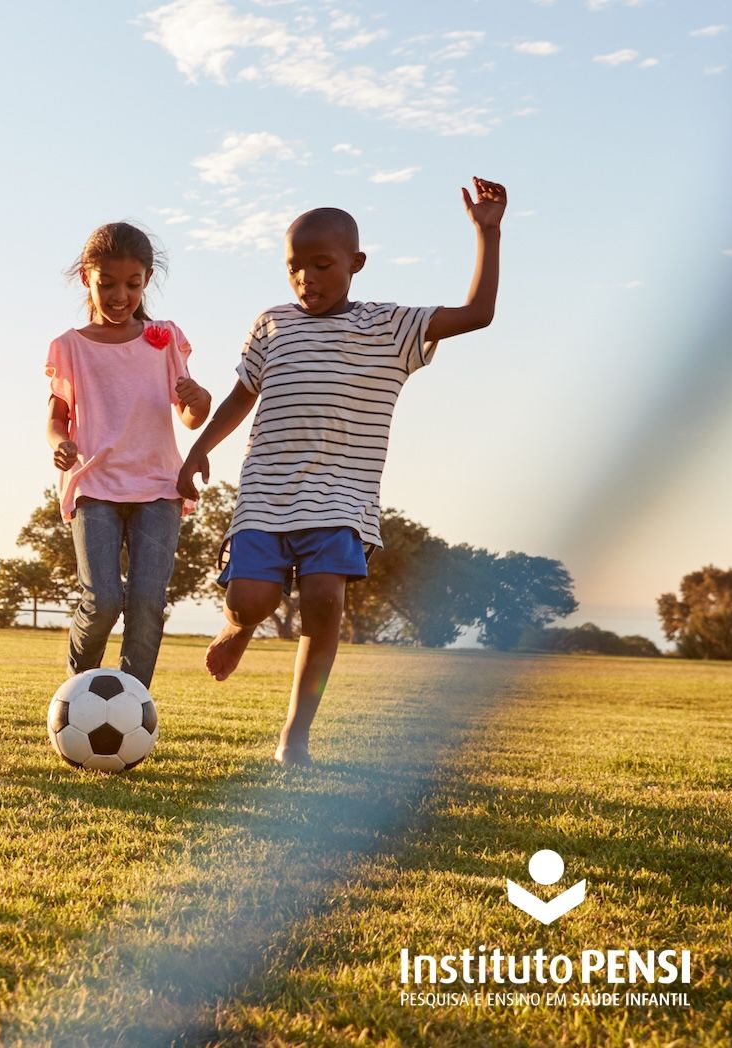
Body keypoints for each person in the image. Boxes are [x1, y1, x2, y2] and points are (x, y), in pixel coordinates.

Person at [177, 178, 508, 765]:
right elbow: (240, 395)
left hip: (341, 497)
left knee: (325, 599)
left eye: (322, 264)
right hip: (266, 493)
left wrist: (487, 233)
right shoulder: (272, 323)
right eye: (294, 267)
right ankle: (238, 628)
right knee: (250, 600)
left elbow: (478, 314)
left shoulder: (389, 327)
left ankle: (295, 735)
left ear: (355, 263)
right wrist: (200, 448)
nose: (307, 278)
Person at [45, 222, 210, 689]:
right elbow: (56, 418)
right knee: (102, 601)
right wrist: (61, 445)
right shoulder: (70, 347)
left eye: (132, 285)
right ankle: (78, 693)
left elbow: (191, 417)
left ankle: (130, 702)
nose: (120, 295)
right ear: (86, 279)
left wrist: (200, 398)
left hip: (159, 486)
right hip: (94, 486)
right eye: (107, 284)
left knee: (146, 604)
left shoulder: (164, 339)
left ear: (147, 279)